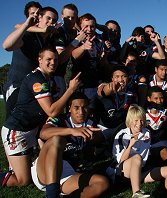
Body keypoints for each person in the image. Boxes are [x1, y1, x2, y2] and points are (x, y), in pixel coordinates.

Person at [0, 46, 80, 187]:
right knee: (23, 181)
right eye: (48, 59)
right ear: (40, 60)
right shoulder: (37, 79)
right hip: (17, 131)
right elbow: (51, 111)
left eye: (55, 59)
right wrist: (70, 90)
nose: (53, 63)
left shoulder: (47, 78)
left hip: (33, 129)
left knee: (51, 152)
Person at [31, 92, 109, 197]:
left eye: (84, 107)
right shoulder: (60, 119)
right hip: (46, 168)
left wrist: (92, 141)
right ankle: (52, 195)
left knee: (102, 183)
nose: (81, 112)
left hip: (66, 172)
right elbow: (43, 133)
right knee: (57, 140)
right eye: (76, 108)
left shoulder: (90, 123)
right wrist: (71, 131)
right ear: (69, 109)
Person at [111, 105, 167, 198]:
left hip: (141, 169)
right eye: (136, 120)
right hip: (122, 173)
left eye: (141, 120)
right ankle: (136, 193)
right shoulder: (122, 135)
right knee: (137, 157)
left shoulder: (146, 132)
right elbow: (120, 162)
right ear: (130, 121)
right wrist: (130, 146)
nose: (139, 123)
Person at [2, 6, 58, 119]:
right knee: (14, 123)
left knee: (33, 124)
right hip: (18, 85)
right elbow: (7, 46)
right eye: (48, 18)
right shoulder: (28, 35)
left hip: (36, 87)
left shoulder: (49, 41)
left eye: (54, 20)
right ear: (39, 18)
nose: (51, 22)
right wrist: (26, 25)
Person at [71, 13, 106, 114]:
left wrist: (105, 53)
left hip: (93, 83)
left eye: (92, 26)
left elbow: (99, 63)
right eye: (86, 26)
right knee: (78, 113)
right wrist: (83, 47)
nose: (89, 29)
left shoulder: (98, 41)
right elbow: (73, 55)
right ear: (80, 27)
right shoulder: (76, 38)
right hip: (79, 84)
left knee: (91, 113)